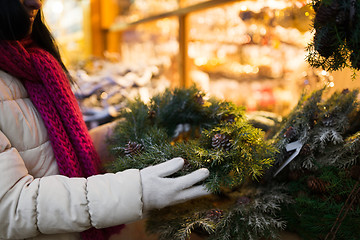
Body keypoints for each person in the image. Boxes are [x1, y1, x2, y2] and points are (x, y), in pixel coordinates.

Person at [0, 0, 210, 239]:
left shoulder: (32, 61)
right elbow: (10, 207)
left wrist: (130, 130)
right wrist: (136, 191)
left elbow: (54, 154)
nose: (37, 2)